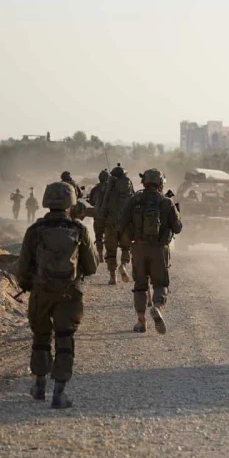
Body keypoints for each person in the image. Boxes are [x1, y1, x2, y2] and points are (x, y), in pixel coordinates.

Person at [14, 182, 98, 409]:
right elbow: (92, 267)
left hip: (41, 293)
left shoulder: (35, 230)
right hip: (69, 294)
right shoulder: (79, 230)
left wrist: (27, 283)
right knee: (64, 340)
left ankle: (39, 386)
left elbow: (22, 266)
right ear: (71, 202)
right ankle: (59, 394)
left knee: (41, 338)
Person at [118, 168, 182, 334]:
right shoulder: (166, 202)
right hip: (159, 250)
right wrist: (177, 211)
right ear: (160, 183)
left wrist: (130, 237)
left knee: (140, 285)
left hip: (138, 248)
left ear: (144, 182)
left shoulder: (134, 200)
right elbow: (178, 228)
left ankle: (141, 321)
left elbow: (120, 224)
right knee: (160, 284)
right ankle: (158, 308)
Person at [98, 164, 134, 284]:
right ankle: (123, 265)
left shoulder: (108, 187)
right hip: (125, 223)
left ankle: (113, 276)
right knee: (126, 247)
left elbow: (100, 204)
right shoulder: (129, 185)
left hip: (110, 222)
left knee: (110, 250)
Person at [87, 169, 110, 263]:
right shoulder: (112, 188)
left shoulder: (95, 189)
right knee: (110, 236)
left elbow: (92, 202)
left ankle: (100, 255)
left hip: (98, 217)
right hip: (110, 217)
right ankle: (108, 253)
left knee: (98, 236)